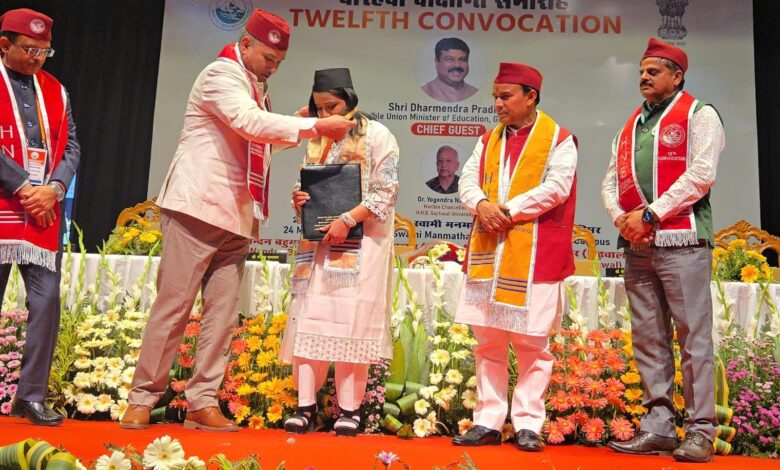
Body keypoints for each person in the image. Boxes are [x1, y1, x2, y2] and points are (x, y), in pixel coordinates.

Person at [119, 9, 355, 432]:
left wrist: (296, 126)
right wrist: (314, 126)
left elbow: (257, 143)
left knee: (222, 317)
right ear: (246, 44)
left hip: (237, 216)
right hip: (197, 208)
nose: (273, 67)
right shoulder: (221, 74)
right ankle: (142, 398)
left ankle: (202, 402)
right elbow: (249, 124)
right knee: (174, 308)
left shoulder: (255, 88)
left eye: (279, 62)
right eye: (269, 58)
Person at [601, 38, 724, 463]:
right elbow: (609, 182)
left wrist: (651, 215)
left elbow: (701, 174)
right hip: (638, 247)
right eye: (641, 71)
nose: (644, 77)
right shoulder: (630, 126)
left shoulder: (699, 114)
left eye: (653, 71)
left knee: (693, 340)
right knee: (649, 339)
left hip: (682, 241)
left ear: (677, 75)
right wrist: (623, 219)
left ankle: (701, 432)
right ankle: (658, 428)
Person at [452, 62, 578, 451]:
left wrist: (507, 211)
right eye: (495, 96)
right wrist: (481, 205)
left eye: (505, 96)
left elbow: (557, 188)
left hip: (536, 255)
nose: (497, 104)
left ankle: (527, 423)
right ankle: (487, 421)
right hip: (489, 251)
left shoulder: (559, 140)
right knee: (487, 343)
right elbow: (467, 180)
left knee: (532, 346)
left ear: (530, 97)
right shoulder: (487, 140)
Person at [280, 68, 399, 437]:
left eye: (331, 106)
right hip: (319, 248)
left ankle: (350, 410)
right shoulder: (316, 139)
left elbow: (385, 191)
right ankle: (305, 406)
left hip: (361, 247)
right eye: (318, 108)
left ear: (349, 99)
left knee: (352, 324)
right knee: (310, 321)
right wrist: (299, 199)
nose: (324, 114)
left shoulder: (377, 134)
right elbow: (305, 184)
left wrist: (347, 220)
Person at [0, 8, 80, 426]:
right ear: (4, 44)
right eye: (29, 49)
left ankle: (30, 396)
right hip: (6, 205)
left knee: (47, 302)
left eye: (44, 51)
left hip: (43, 212)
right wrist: (22, 186)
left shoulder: (55, 89)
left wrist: (54, 188)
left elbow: (72, 147)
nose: (37, 58)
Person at [421, 37, 478, 103]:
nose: (457, 65)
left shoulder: (475, 93)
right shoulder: (424, 93)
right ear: (436, 62)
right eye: (449, 59)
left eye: (462, 59)